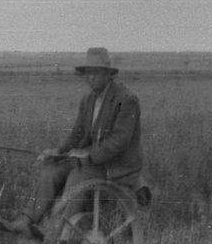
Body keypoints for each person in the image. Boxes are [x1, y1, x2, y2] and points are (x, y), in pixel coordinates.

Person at [20, 47, 144, 233]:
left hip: (117, 166)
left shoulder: (126, 99)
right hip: (93, 162)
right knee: (51, 171)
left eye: (95, 72)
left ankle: (62, 231)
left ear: (107, 74)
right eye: (87, 72)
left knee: (78, 176)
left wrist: (88, 154)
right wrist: (58, 152)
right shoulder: (88, 100)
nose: (90, 77)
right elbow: (77, 134)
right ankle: (27, 222)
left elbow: (120, 140)